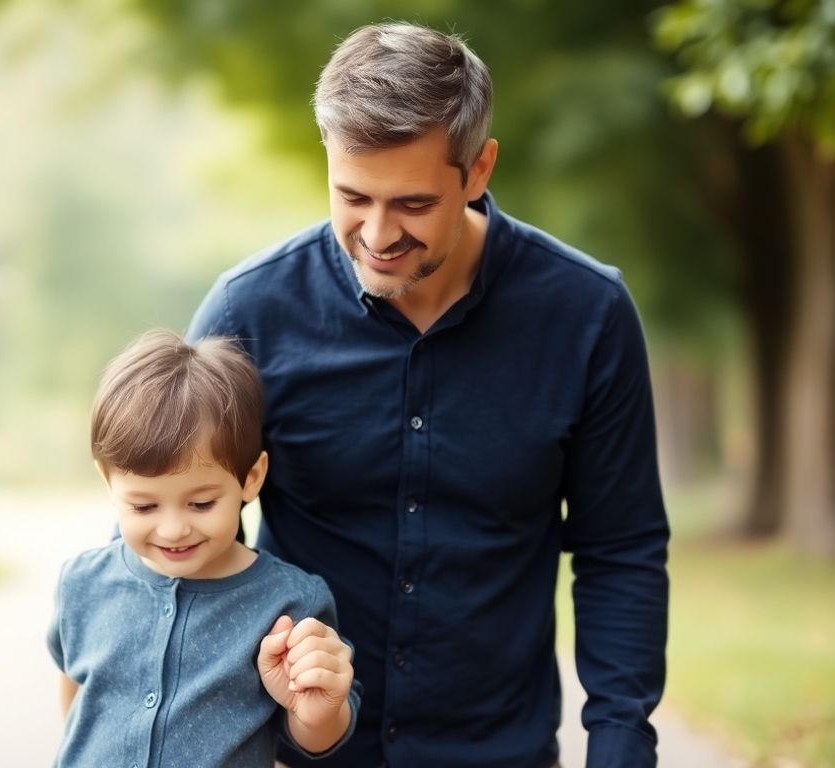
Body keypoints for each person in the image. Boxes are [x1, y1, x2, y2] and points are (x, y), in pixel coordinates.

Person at [186, 22, 669, 768]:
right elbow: (185, 540)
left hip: (499, 751)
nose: (377, 234)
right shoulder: (246, 315)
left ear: (478, 170)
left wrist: (619, 748)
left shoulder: (588, 315)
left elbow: (620, 549)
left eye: (412, 203)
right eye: (353, 197)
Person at [47, 330, 363, 767]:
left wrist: (318, 714)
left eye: (201, 503)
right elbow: (76, 696)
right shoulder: (82, 583)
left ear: (250, 479)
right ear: (107, 480)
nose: (174, 529)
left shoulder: (289, 603)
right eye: (143, 505)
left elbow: (315, 734)